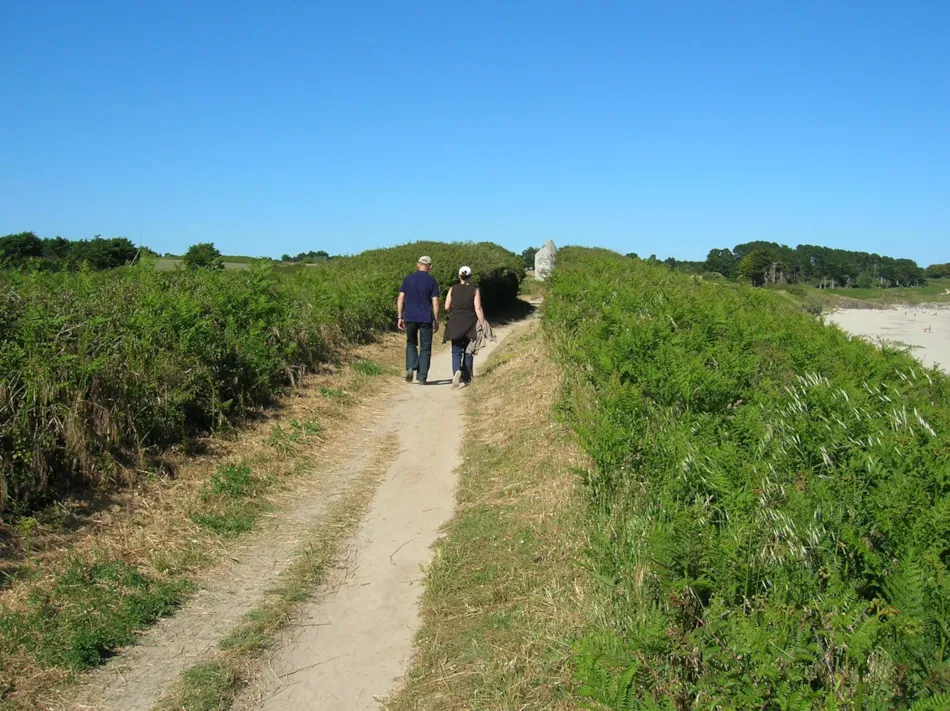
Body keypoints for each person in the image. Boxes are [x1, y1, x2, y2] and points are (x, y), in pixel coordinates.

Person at [397, 255, 440, 384]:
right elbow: (436, 302)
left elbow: (400, 299)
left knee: (411, 343)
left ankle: (410, 366)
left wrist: (400, 316)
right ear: (430, 267)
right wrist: (436, 320)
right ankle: (422, 377)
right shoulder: (432, 281)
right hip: (426, 318)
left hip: (409, 316)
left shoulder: (408, 279)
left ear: (417, 265)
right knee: (425, 348)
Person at [443, 265, 487, 389]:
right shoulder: (474, 290)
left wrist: (454, 312)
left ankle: (456, 371)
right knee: (469, 351)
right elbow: (478, 308)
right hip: (470, 323)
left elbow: (446, 306)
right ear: (470, 277)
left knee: (456, 351)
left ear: (459, 276)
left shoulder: (452, 289)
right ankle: (467, 377)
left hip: (455, 322)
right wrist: (482, 323)